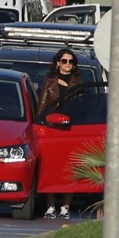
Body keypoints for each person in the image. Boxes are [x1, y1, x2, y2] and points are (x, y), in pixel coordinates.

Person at [36, 48, 82, 220]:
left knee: (69, 170)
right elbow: (41, 105)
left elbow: (82, 106)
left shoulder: (78, 83)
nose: (68, 65)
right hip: (51, 130)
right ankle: (50, 206)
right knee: (51, 168)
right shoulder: (49, 82)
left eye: (71, 62)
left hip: (70, 131)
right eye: (64, 61)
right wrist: (40, 123)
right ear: (58, 63)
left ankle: (65, 206)